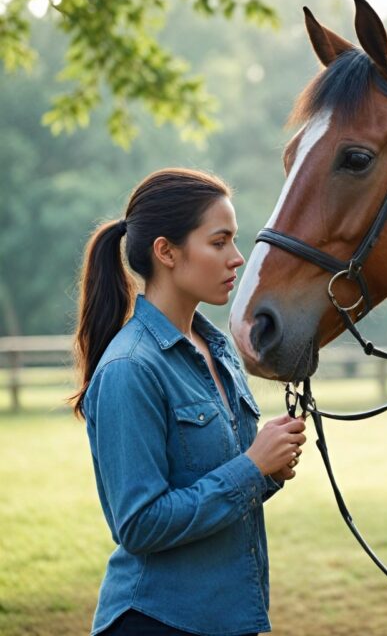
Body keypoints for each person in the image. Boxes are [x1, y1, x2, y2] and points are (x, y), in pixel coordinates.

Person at [70, 168, 306, 636]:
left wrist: (269, 469)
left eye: (234, 241)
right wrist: (252, 468)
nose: (237, 259)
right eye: (219, 243)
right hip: (158, 621)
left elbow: (216, 480)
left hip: (230, 618)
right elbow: (139, 525)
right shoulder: (129, 369)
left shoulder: (217, 350)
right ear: (167, 252)